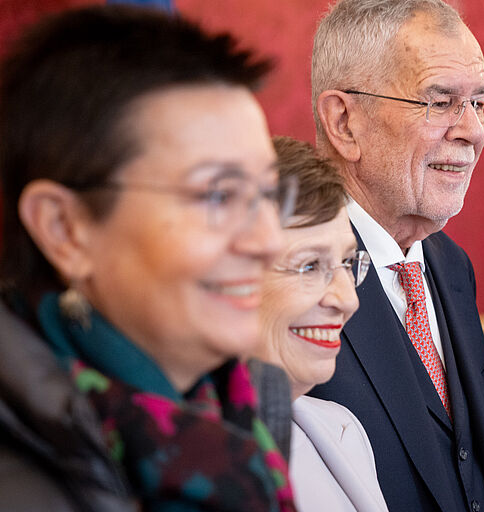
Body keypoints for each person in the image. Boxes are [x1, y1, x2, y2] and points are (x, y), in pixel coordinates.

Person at [0, 6, 297, 511]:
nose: (268, 240)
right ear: (64, 229)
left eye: (267, 194)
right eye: (218, 195)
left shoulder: (239, 417)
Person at [307, 1, 484, 511]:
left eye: (479, 102)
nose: (473, 130)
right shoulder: (288, 277)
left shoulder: (451, 267)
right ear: (344, 122)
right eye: (441, 102)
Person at [256, 136, 387, 512]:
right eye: (310, 265)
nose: (348, 300)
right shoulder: (170, 460)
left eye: (347, 263)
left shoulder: (344, 430)